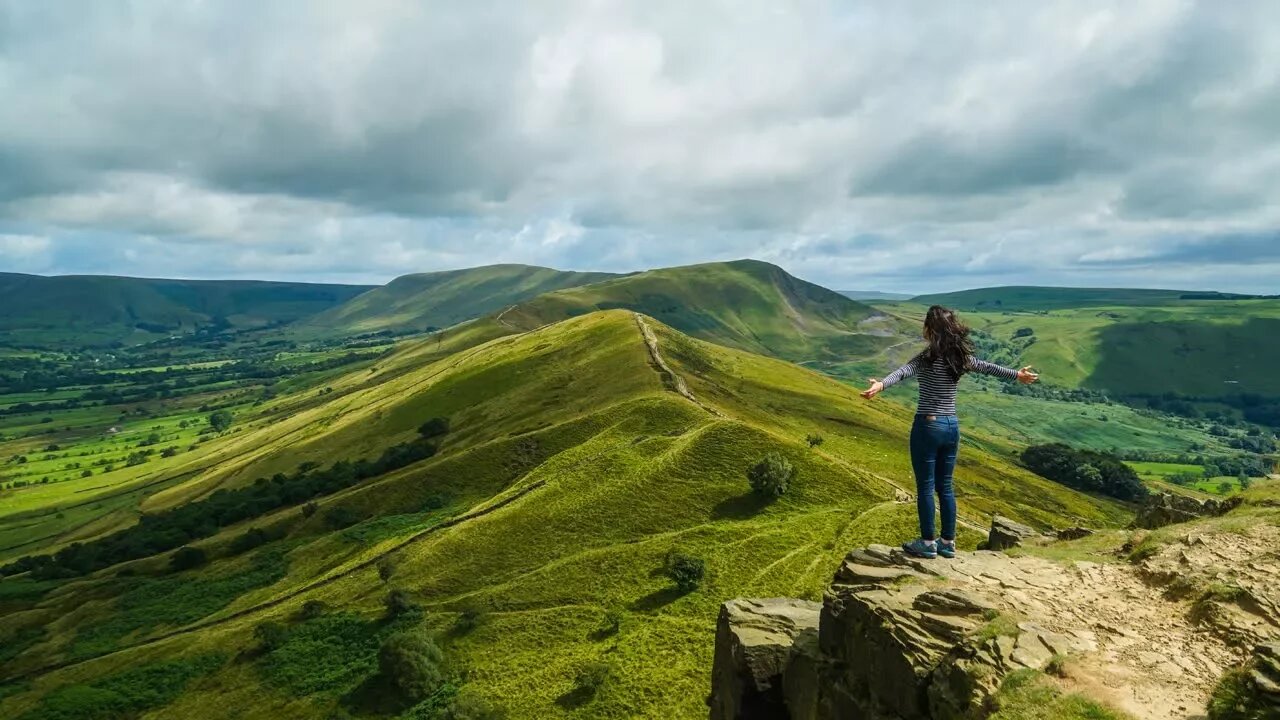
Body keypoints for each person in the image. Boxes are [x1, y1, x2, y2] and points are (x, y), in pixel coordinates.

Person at [860, 305, 1038, 559]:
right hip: (951, 426)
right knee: (945, 486)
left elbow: (902, 373)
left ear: (930, 329)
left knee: (925, 486)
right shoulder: (960, 357)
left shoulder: (928, 357)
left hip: (928, 426)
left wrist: (880, 385)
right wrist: (1016, 375)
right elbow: (988, 367)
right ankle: (948, 543)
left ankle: (928, 542)